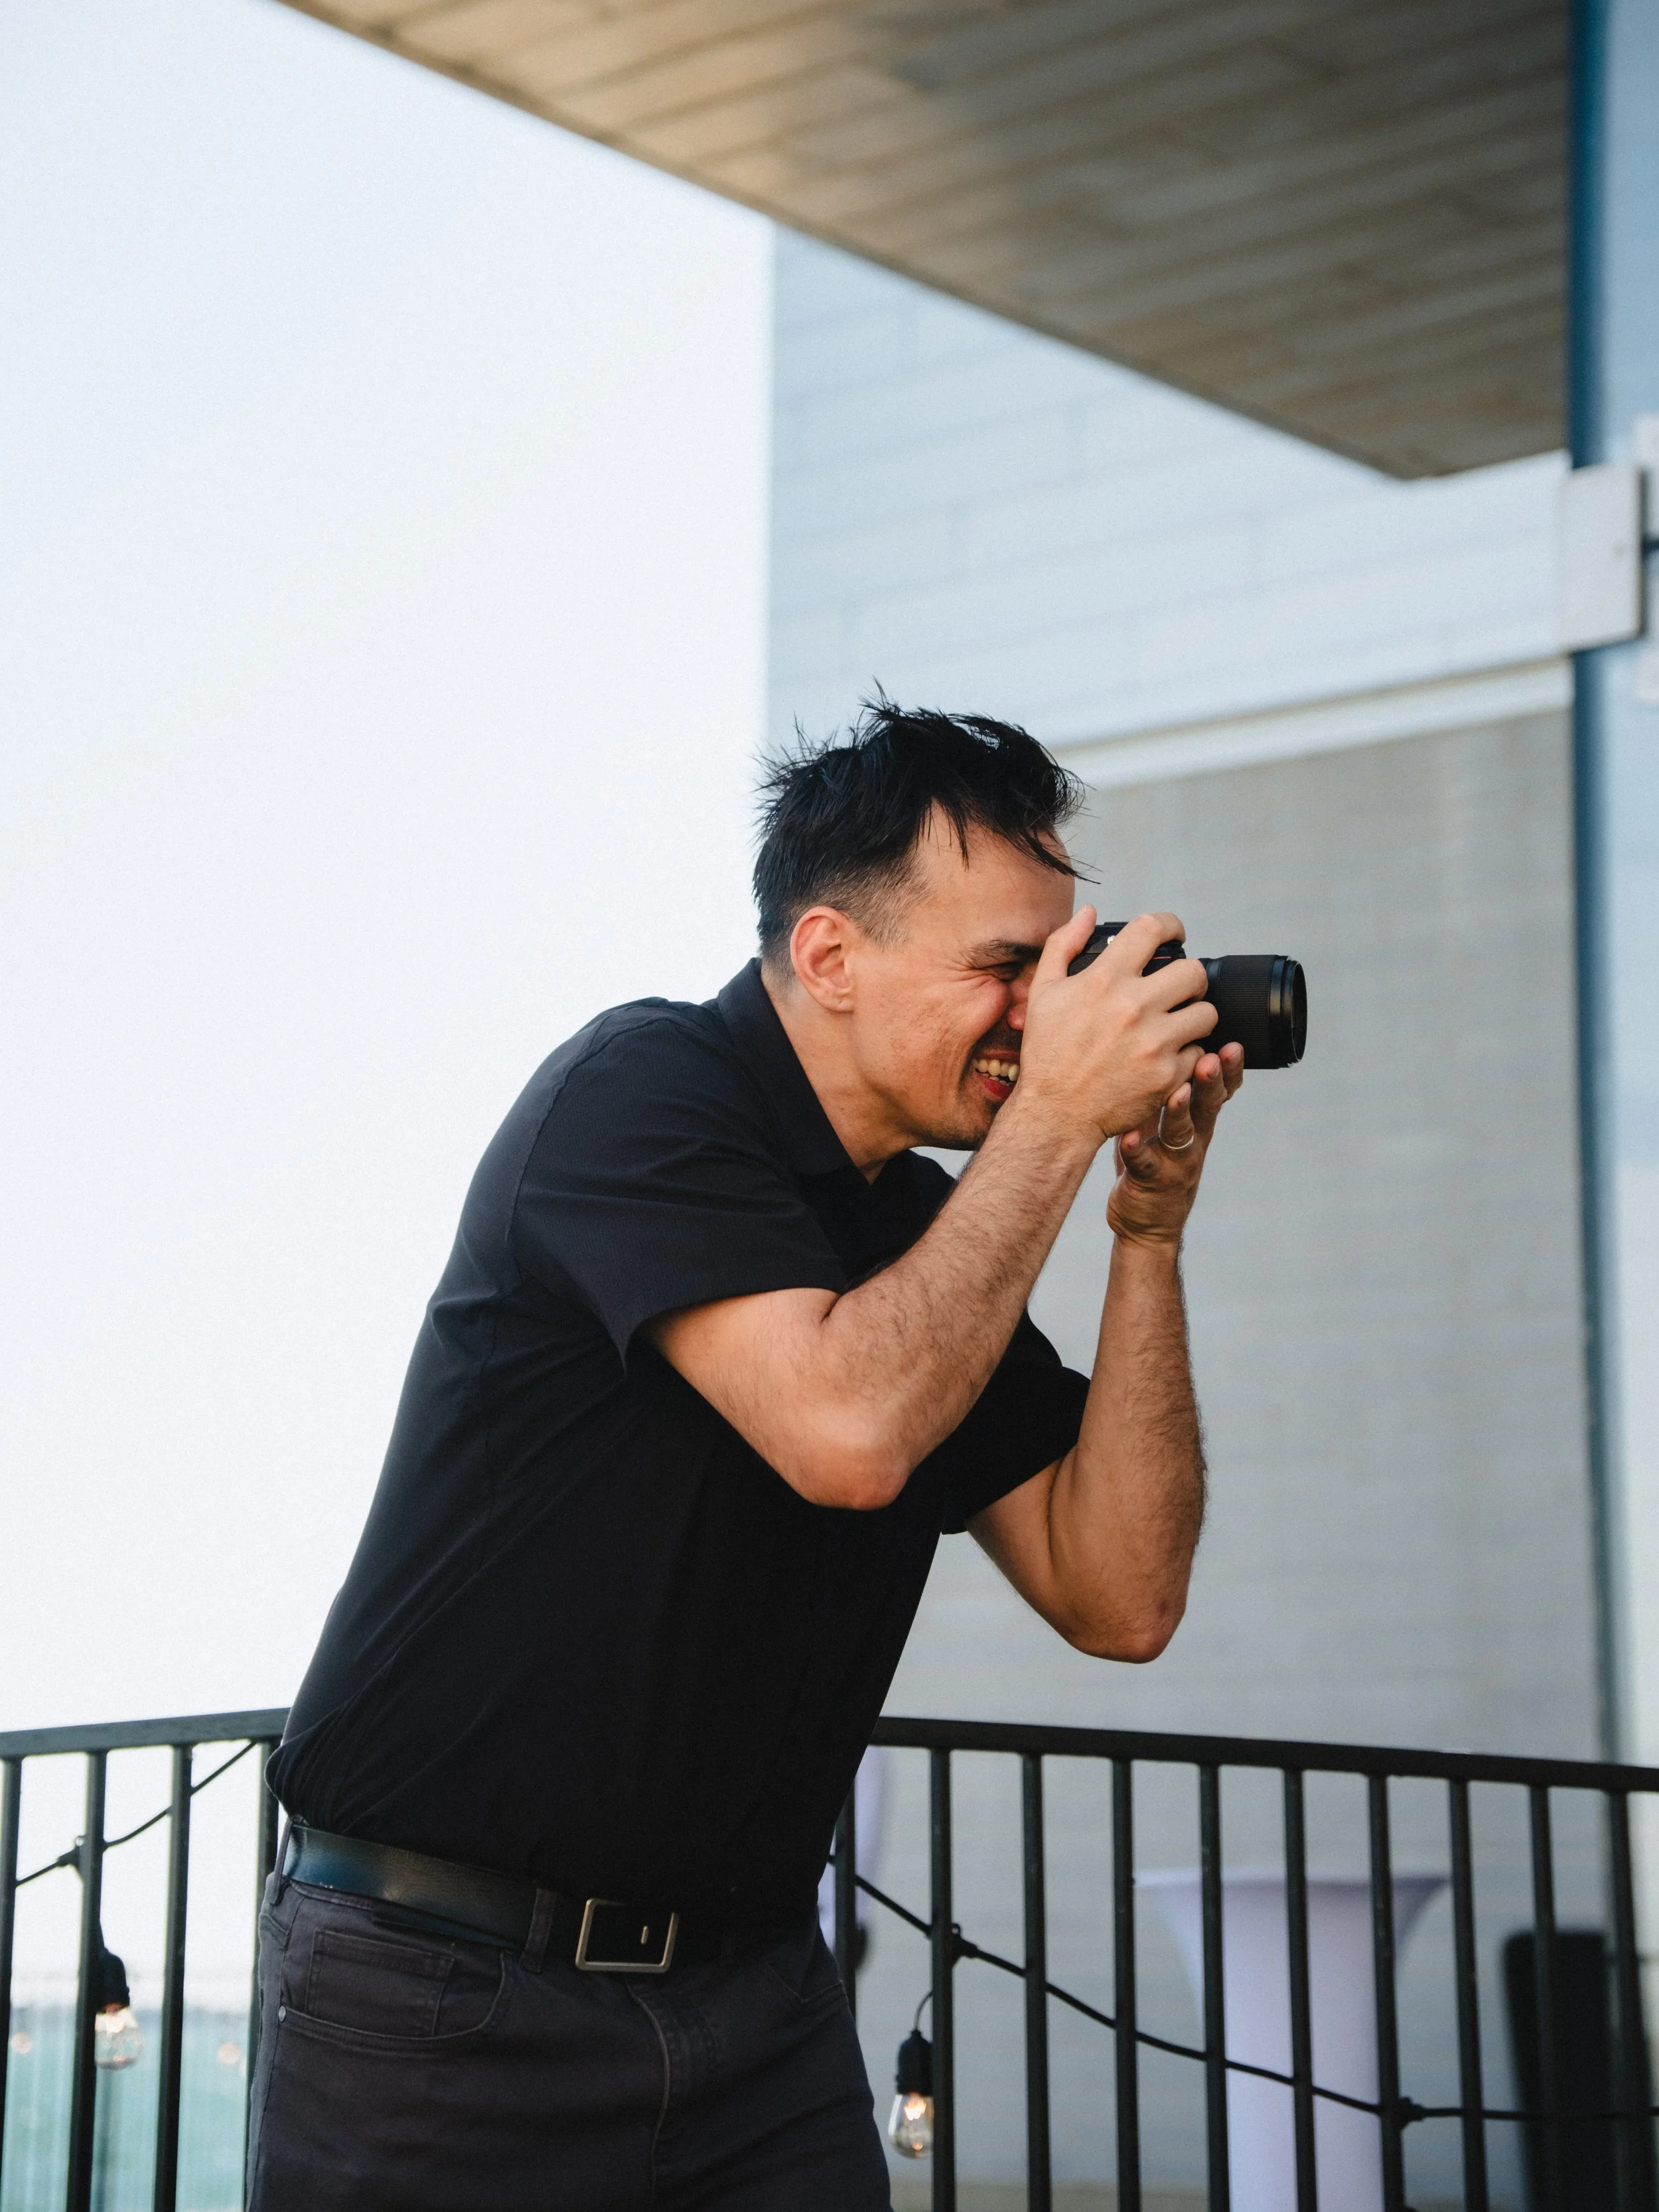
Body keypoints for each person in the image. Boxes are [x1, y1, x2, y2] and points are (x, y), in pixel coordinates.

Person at [249, 702, 1243, 2212]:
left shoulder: (920, 1234)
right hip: (449, 1994)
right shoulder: (637, 1093)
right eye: (1001, 970)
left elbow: (1119, 1596)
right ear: (829, 956)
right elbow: (845, 1429)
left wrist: (1144, 1237)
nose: (1039, 1018)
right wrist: (1053, 1122)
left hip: (754, 2012)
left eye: (1053, 972)